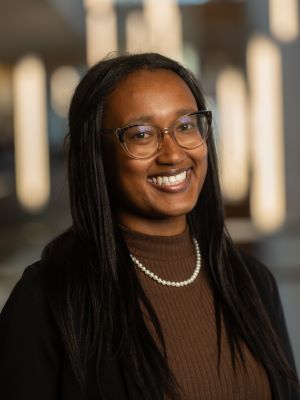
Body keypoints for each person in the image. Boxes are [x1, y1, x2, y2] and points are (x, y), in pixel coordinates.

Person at [0, 53, 299, 400]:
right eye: (142, 134)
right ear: (97, 153)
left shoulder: (252, 282)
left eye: (186, 125)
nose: (173, 154)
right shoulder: (50, 297)